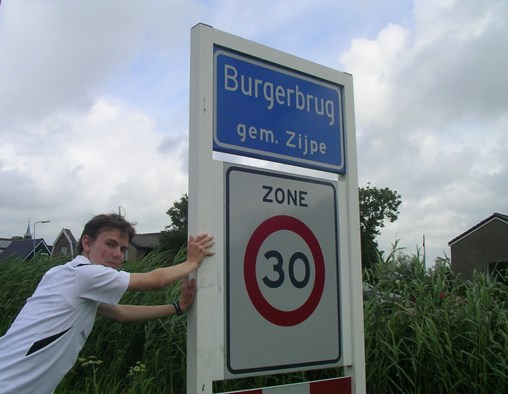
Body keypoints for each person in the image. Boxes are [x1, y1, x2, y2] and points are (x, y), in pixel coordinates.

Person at [0, 213, 214, 394]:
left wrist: (177, 307)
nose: (117, 255)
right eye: (110, 244)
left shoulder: (62, 274)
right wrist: (192, 262)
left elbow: (120, 313)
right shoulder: (84, 275)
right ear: (86, 243)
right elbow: (155, 281)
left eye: (122, 249)